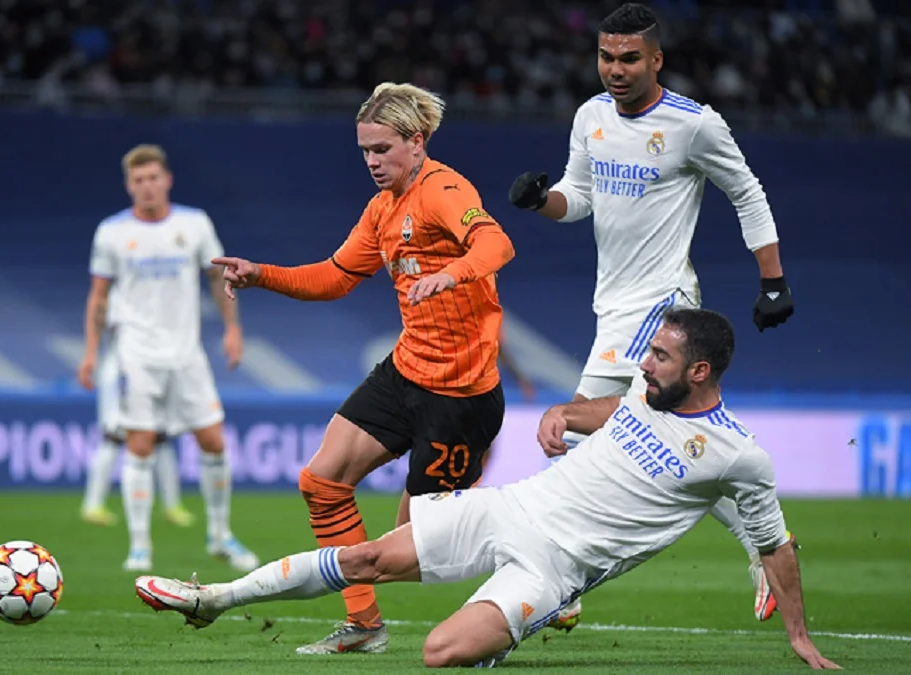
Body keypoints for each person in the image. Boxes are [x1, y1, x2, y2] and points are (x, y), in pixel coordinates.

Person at [135, 308, 840, 671]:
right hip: (510, 506)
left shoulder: (739, 455)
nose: (646, 362)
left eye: (660, 356)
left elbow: (774, 544)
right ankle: (214, 599)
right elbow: (617, 408)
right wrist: (567, 413)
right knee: (367, 556)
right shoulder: (643, 392)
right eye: (650, 350)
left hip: (555, 567)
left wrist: (799, 635)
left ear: (700, 372)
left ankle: (516, 623)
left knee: (441, 652)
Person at [508, 2, 795, 626]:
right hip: (612, 305)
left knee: (569, 430)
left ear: (656, 60)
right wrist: (542, 200)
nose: (616, 69)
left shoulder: (693, 125)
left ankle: (560, 584)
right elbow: (579, 198)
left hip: (662, 303)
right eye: (606, 56)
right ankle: (765, 544)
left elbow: (746, 191)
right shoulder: (590, 116)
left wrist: (773, 281)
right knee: (642, 439)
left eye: (629, 58)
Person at [210, 81, 516, 655]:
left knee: (416, 546)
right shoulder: (382, 209)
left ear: (416, 142)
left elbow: (496, 243)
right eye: (365, 151)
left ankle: (537, 562)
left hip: (460, 396)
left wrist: (450, 274)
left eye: (382, 149)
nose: (373, 162)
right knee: (322, 482)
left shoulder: (444, 189)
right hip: (405, 372)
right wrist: (262, 275)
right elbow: (335, 276)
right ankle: (364, 626)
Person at [79, 143, 259, 574]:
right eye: (138, 180)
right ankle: (140, 546)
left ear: (167, 180)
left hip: (186, 354)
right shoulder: (112, 232)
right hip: (136, 354)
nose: (147, 186)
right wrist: (90, 352)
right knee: (139, 445)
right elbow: (98, 297)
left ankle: (220, 535)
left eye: (153, 178)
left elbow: (217, 278)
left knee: (213, 440)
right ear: (129, 186)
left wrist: (233, 328)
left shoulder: (194, 224)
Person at [81, 292, 196, 529]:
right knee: (113, 436)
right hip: (125, 369)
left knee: (161, 437)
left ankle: (172, 505)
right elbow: (107, 320)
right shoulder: (122, 295)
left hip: (158, 368)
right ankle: (92, 504)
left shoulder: (159, 294)